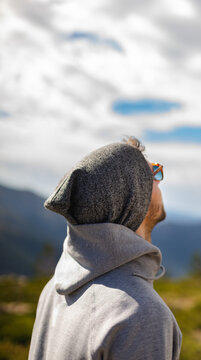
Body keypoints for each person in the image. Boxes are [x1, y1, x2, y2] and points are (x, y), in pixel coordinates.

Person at [28, 136, 182, 360]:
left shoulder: (54, 289)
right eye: (153, 173)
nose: (159, 181)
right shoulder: (139, 314)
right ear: (133, 197)